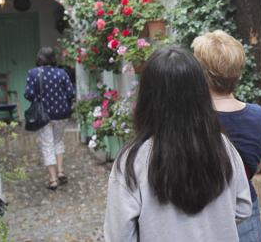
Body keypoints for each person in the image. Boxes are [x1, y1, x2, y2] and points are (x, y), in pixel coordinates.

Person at [104, 46, 252, 241]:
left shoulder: (132, 161)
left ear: (148, 97)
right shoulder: (222, 146)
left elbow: (119, 235)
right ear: (200, 93)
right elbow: (243, 208)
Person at [192, 30, 261, 242]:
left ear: (200, 74)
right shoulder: (257, 115)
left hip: (203, 212)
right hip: (245, 207)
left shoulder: (193, 120)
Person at [24, 47, 75, 191]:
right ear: (53, 58)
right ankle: (60, 171)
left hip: (43, 115)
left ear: (39, 58)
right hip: (62, 114)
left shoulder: (33, 73)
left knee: (47, 144)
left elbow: (28, 94)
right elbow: (70, 92)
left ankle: (53, 180)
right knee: (58, 141)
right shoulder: (62, 73)